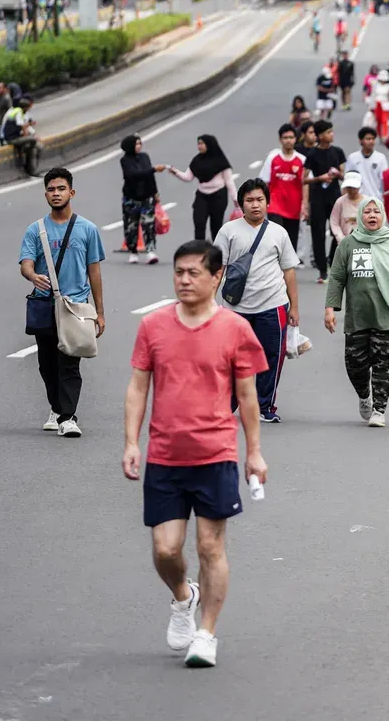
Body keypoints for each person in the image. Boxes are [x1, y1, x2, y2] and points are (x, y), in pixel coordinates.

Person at [123, 238, 269, 669]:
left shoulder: (235, 330)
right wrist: (132, 442)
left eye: (193, 273)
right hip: (165, 456)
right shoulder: (153, 326)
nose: (184, 280)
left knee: (210, 546)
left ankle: (206, 634)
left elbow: (247, 396)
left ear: (216, 276)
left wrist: (255, 453)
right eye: (179, 272)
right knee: (166, 549)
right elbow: (137, 388)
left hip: (216, 453)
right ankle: (184, 597)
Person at [19, 167, 106, 438]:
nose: (56, 194)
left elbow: (94, 271)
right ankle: (57, 409)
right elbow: (26, 264)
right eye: (51, 189)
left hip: (75, 306)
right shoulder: (36, 230)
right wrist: (33, 275)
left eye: (60, 189)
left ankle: (68, 417)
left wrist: (99, 313)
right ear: (45, 194)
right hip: (45, 306)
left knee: (69, 362)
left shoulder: (87, 229)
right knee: (47, 365)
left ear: (71, 192)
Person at [325, 197, 389, 428]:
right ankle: (364, 395)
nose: (372, 216)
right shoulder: (348, 244)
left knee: (383, 364)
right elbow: (337, 278)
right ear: (360, 216)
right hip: (357, 316)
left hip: (386, 315)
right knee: (354, 364)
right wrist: (330, 308)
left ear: (382, 216)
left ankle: (379, 410)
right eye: (367, 212)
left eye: (376, 212)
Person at [212, 180, 300, 423]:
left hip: (273, 305)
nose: (255, 205)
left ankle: (265, 406)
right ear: (241, 204)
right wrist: (209, 303)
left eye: (260, 200)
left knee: (272, 357)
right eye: (249, 200)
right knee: (230, 358)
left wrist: (294, 307)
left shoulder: (278, 233)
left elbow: (289, 270)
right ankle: (226, 405)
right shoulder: (228, 231)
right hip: (235, 308)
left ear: (268, 203)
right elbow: (217, 268)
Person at [302, 120, 348, 283]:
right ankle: (322, 270)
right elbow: (304, 179)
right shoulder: (312, 153)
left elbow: (344, 175)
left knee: (338, 231)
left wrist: (338, 175)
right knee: (318, 234)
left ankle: (332, 260)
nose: (332, 135)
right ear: (320, 136)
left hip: (334, 196)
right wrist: (319, 178)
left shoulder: (338, 152)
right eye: (328, 132)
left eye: (332, 131)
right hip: (317, 197)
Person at [169, 135, 235, 241]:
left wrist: (236, 200)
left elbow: (229, 182)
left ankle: (217, 251)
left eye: (201, 144)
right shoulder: (196, 160)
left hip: (218, 196)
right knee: (199, 224)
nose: (199, 146)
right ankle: (199, 251)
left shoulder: (221, 161)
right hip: (202, 196)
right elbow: (188, 177)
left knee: (216, 227)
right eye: (198, 144)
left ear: (209, 145)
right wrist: (175, 172)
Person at [258, 124, 308, 252]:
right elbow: (264, 182)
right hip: (275, 205)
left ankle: (286, 269)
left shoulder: (301, 160)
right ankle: (275, 267)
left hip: (294, 207)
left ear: (296, 139)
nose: (288, 140)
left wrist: (305, 205)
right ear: (280, 140)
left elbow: (305, 183)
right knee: (277, 237)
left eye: (291, 137)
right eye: (285, 137)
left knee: (290, 244)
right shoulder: (272, 158)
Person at [120, 134, 167, 265]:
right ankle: (133, 251)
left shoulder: (145, 157)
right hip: (131, 198)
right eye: (137, 144)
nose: (139, 146)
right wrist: (153, 169)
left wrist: (155, 192)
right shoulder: (125, 161)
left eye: (140, 143)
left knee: (149, 224)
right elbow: (131, 176)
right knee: (131, 225)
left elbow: (150, 176)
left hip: (147, 196)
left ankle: (150, 251)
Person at [344, 126, 388, 202]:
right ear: (360, 141)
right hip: (357, 201)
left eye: (373, 139)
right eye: (368, 139)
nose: (371, 141)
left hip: (376, 200)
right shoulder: (353, 158)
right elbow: (348, 179)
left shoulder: (381, 158)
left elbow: (384, 180)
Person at [330, 171, 364, 264]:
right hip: (343, 241)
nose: (351, 190)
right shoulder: (340, 202)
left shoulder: (367, 202)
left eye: (354, 188)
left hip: (363, 243)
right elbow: (334, 221)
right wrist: (340, 237)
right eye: (348, 187)